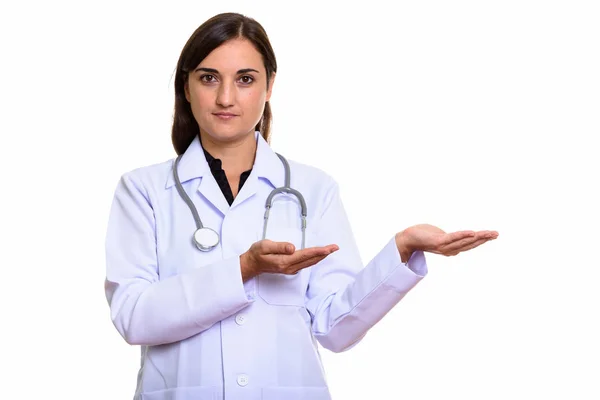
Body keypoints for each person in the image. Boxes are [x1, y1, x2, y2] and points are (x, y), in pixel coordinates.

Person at [104, 12, 499, 400]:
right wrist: (244, 269)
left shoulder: (314, 189)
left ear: (269, 86)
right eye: (209, 78)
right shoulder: (144, 190)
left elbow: (336, 327)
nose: (226, 97)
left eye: (245, 79)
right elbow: (133, 316)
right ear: (186, 87)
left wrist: (403, 248)